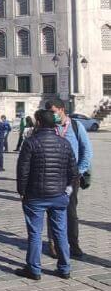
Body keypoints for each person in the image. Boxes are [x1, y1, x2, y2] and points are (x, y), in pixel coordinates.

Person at [16, 109, 78, 281]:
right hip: (58, 195)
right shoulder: (64, 143)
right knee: (60, 232)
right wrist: (67, 190)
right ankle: (64, 268)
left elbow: (23, 171)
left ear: (39, 123)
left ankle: (34, 269)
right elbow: (73, 172)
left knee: (35, 234)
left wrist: (22, 191)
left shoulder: (30, 142)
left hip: (35, 196)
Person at [45, 97, 93, 260]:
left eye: (53, 112)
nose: (51, 115)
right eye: (48, 112)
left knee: (71, 211)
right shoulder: (48, 126)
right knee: (52, 210)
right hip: (52, 176)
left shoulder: (76, 126)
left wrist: (79, 171)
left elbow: (87, 151)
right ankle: (53, 243)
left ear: (61, 109)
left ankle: (73, 243)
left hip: (71, 177)